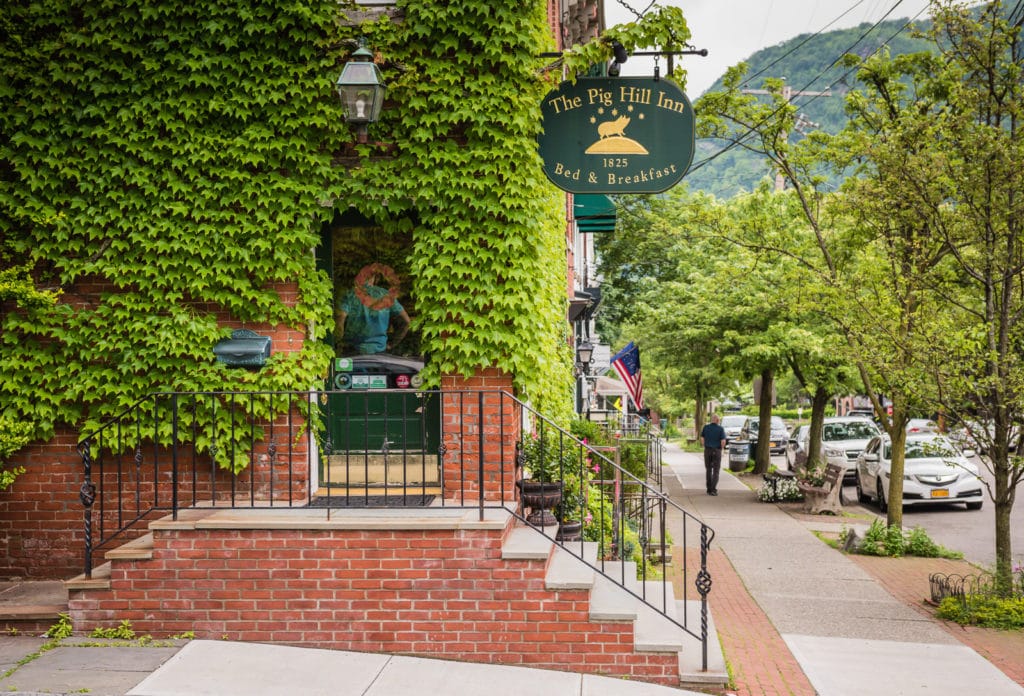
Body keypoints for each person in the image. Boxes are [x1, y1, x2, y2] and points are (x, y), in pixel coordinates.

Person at [335, 264, 410, 355]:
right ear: (375, 278)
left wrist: (338, 341)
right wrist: (391, 344)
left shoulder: (350, 295)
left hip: (352, 351)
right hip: (379, 350)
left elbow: (340, 317)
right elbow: (406, 321)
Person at [700, 413, 727, 496]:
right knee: (716, 471)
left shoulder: (706, 427)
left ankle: (708, 489)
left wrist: (705, 446)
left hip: (707, 450)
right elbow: (723, 441)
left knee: (708, 470)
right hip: (716, 450)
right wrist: (721, 449)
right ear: (717, 420)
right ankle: (713, 489)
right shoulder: (720, 429)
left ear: (711, 420)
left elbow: (702, 438)